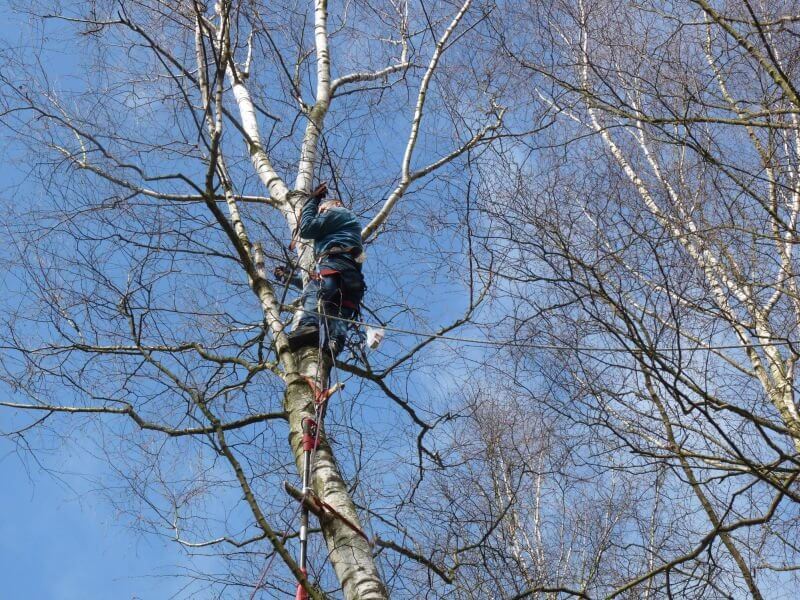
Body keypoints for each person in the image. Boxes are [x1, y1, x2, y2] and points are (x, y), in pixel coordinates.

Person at [283, 183, 365, 355]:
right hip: (350, 278)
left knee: (315, 291)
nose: (321, 212)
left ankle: (308, 326)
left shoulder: (338, 212)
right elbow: (327, 284)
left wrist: (312, 202)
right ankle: (335, 343)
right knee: (338, 312)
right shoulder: (346, 228)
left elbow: (306, 229)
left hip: (336, 265)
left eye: (322, 210)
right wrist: (288, 277)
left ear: (335, 204)